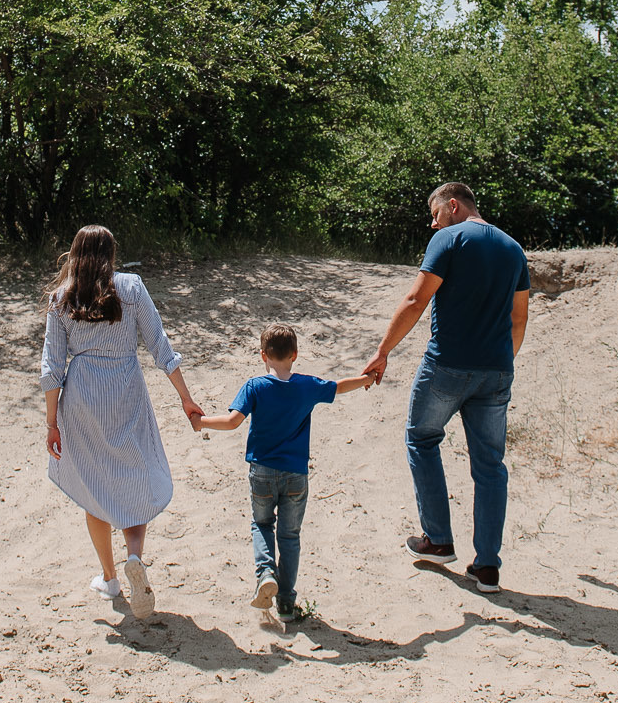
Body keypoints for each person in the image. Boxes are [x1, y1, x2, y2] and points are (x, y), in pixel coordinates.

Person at [360, 182, 530, 594]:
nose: (432, 223)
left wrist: (382, 351)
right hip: (497, 370)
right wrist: (501, 362)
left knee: (421, 438)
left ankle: (438, 539)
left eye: (435, 214)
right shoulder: (514, 249)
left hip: (448, 366)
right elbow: (519, 318)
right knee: (490, 466)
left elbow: (416, 301)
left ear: (453, 206)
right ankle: (487, 567)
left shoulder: (449, 239)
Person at [40, 225, 203, 618]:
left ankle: (110, 578)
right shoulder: (130, 288)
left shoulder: (61, 298)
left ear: (75, 254)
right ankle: (135, 556)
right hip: (125, 392)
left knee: (93, 481)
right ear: (111, 254)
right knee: (136, 475)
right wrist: (186, 398)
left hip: (81, 399)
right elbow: (160, 345)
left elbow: (51, 368)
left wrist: (52, 422)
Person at [190, 323, 375, 621]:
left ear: (263, 355)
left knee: (262, 524)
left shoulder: (255, 386)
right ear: (295, 355)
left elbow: (232, 421)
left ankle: (265, 573)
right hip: (296, 475)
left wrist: (202, 423)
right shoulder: (306, 386)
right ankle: (286, 603)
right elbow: (339, 386)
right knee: (290, 536)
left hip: (262, 471)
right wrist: (366, 378)